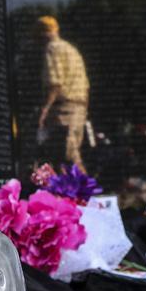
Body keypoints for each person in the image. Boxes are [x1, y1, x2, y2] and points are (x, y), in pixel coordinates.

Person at [36, 16, 90, 173]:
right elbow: (86, 86)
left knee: (68, 155)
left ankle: (87, 194)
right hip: (80, 107)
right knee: (67, 158)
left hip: (64, 109)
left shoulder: (52, 49)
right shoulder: (72, 50)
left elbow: (55, 83)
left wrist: (45, 110)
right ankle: (73, 195)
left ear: (43, 34)